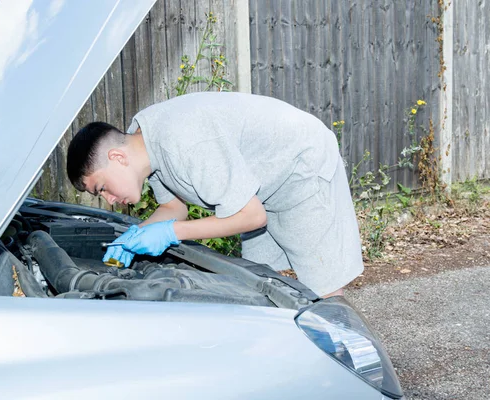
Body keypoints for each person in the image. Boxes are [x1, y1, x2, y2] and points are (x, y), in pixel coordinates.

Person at [66, 92, 363, 297]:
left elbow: (250, 216)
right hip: (259, 185)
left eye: (101, 188)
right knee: (264, 282)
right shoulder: (146, 147)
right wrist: (137, 234)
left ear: (118, 157)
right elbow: (173, 208)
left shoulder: (183, 143)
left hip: (300, 165)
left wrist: (171, 233)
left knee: (323, 290)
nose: (108, 199)